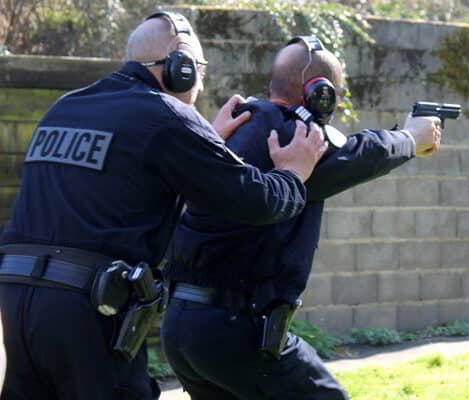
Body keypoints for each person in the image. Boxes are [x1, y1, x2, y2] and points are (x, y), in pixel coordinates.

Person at [0, 11, 327, 400]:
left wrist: (206, 142)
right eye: (199, 69)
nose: (200, 83)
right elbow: (256, 202)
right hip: (86, 314)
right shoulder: (167, 116)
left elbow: (127, 181)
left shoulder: (65, 107)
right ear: (180, 67)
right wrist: (294, 172)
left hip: (13, 304)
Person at [161, 35, 442, 400]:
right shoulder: (292, 138)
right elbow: (358, 156)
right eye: (335, 94)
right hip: (235, 326)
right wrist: (409, 137)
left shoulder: (236, 129)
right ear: (318, 92)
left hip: (182, 325)